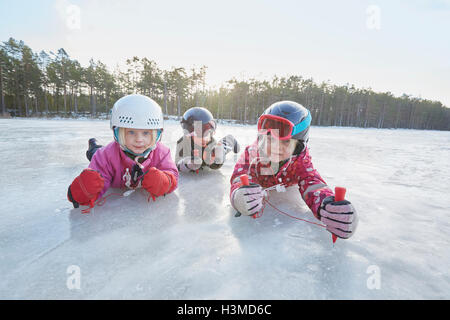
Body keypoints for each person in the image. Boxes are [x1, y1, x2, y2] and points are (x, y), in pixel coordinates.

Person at [229, 101, 358, 240]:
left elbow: (312, 183)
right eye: (270, 139)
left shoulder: (300, 161)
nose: (276, 147)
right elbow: (239, 176)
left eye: (285, 142)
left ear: (298, 145)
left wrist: (327, 206)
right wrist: (240, 196)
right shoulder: (252, 153)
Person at [67, 94, 178, 210]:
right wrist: (82, 192)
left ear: (157, 133)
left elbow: (172, 174)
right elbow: (98, 177)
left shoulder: (162, 152)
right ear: (118, 132)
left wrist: (164, 181)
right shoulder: (105, 156)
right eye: (131, 132)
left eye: (146, 133)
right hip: (104, 152)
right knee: (95, 152)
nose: (139, 139)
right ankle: (93, 146)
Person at [175, 107, 240, 173]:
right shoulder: (183, 143)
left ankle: (230, 139)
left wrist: (215, 160)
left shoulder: (211, 143)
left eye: (207, 133)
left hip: (213, 151)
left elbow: (214, 166)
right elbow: (177, 164)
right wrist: (187, 164)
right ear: (190, 136)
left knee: (220, 150)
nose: (204, 139)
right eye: (199, 135)